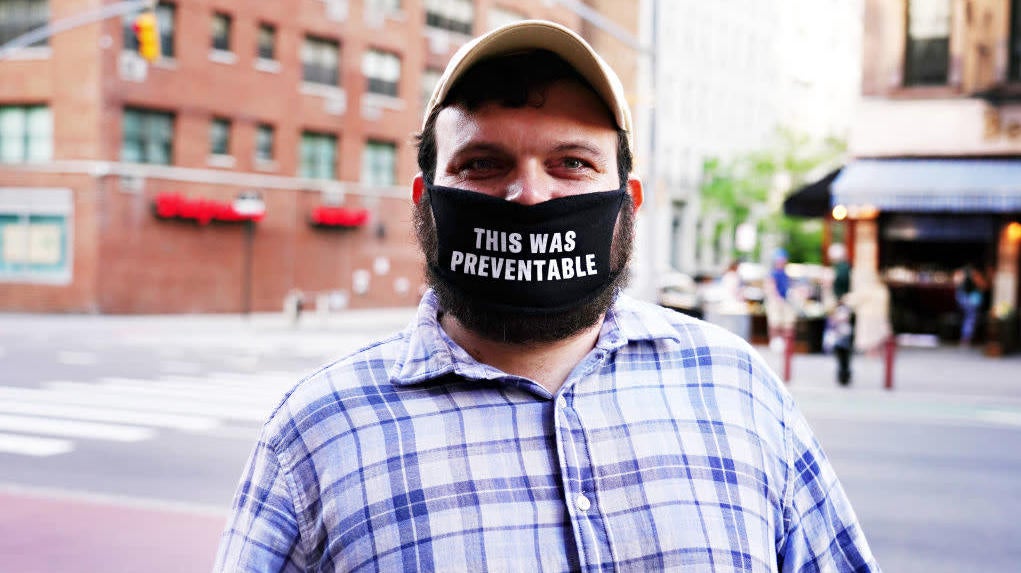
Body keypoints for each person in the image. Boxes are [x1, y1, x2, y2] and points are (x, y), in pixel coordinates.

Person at [215, 20, 878, 572]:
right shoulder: (315, 431)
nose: (529, 195)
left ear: (629, 203)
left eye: (571, 163)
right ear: (425, 202)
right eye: (482, 163)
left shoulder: (739, 390)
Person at [764, 247, 796, 352]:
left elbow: (788, 287)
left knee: (786, 322)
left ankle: (784, 342)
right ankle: (775, 342)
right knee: (775, 322)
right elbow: (771, 287)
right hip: (775, 301)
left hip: (784, 300)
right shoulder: (773, 273)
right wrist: (776, 298)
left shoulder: (784, 273)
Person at [955, 264, 988, 347]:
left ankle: (966, 337)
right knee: (970, 317)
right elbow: (983, 286)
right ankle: (966, 338)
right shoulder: (973, 274)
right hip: (969, 299)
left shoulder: (962, 274)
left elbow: (983, 286)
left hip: (968, 299)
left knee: (969, 318)